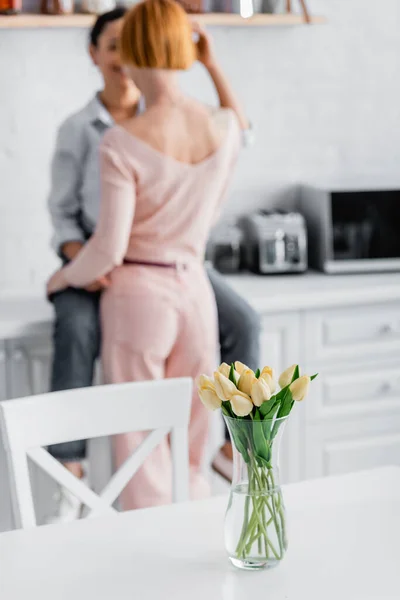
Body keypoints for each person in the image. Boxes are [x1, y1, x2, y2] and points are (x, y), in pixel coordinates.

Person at [47, 4, 259, 516]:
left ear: (134, 49)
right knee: (192, 435)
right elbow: (239, 125)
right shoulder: (222, 126)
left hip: (139, 295)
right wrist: (210, 65)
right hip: (195, 292)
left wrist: (63, 278)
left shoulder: (123, 141)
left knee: (141, 446)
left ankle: (149, 570)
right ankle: (192, 543)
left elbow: (110, 249)